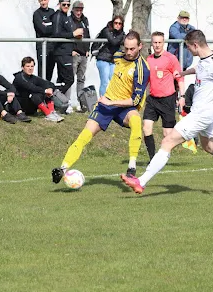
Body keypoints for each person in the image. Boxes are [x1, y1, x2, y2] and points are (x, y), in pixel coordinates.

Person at [121, 30, 213, 195]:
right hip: (205, 113)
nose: (189, 51)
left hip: (201, 114)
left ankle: (141, 182)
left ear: (196, 45)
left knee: (167, 141)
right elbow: (199, 69)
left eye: (189, 48)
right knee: (209, 146)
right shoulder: (203, 58)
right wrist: (183, 73)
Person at [51, 31, 150, 183]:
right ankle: (63, 168)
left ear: (140, 46)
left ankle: (131, 167)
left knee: (136, 121)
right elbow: (102, 54)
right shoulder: (118, 56)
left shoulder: (142, 68)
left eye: (132, 49)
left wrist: (111, 102)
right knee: (85, 134)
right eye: (126, 48)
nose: (128, 52)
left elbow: (135, 101)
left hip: (124, 106)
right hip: (107, 103)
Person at [143, 31, 185, 161]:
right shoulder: (148, 59)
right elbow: (146, 81)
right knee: (146, 128)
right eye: (155, 42)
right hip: (152, 99)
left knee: (167, 134)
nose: (157, 45)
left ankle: (187, 138)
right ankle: (152, 159)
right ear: (152, 43)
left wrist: (182, 96)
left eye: (159, 42)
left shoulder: (171, 58)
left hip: (167, 99)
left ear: (163, 42)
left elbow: (180, 78)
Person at [50, 0, 83, 103]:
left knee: (61, 80)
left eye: (68, 5)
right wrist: (73, 34)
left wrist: (74, 39)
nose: (66, 6)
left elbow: (66, 34)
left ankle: (60, 103)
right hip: (61, 53)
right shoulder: (58, 16)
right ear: (59, 5)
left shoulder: (66, 17)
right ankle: (51, 94)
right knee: (70, 79)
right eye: (64, 4)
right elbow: (56, 34)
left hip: (67, 52)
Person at [13, 56, 64, 122]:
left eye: (32, 66)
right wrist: (45, 90)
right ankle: (48, 114)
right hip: (20, 106)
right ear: (23, 67)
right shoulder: (19, 77)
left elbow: (48, 83)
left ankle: (52, 112)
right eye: (28, 66)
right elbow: (30, 87)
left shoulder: (33, 77)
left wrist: (49, 88)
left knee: (45, 91)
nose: (30, 68)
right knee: (36, 93)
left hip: (30, 106)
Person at [94, 15, 125, 97]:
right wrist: (122, 36)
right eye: (116, 23)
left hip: (112, 60)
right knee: (104, 82)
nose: (117, 25)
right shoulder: (106, 30)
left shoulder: (120, 33)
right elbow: (113, 41)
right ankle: (102, 102)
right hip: (102, 58)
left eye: (120, 23)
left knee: (113, 80)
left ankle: (112, 100)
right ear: (112, 23)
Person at [70, 0, 91, 111]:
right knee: (70, 78)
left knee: (81, 79)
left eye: (80, 10)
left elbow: (88, 34)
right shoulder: (69, 20)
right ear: (73, 10)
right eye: (77, 10)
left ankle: (81, 103)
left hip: (84, 54)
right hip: (74, 53)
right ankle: (67, 103)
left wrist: (88, 49)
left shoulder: (85, 20)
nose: (79, 12)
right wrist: (71, 50)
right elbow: (68, 36)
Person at [32, 0, 56, 79]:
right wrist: (51, 27)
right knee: (42, 73)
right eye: (41, 0)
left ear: (48, 0)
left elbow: (57, 28)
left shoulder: (53, 12)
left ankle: (48, 92)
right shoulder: (37, 14)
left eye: (45, 0)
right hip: (42, 47)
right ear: (39, 1)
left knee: (50, 72)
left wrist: (47, 26)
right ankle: (41, 92)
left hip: (52, 46)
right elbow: (43, 30)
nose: (43, 2)